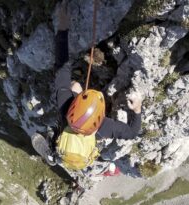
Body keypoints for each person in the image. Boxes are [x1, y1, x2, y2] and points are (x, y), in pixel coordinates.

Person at [37, 1, 142, 174]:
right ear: (100, 117)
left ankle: (54, 152)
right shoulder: (105, 126)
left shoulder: (65, 102)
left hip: (73, 143)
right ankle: (56, 152)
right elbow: (132, 132)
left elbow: (61, 63)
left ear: (73, 106)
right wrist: (136, 110)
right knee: (77, 86)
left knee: (75, 85)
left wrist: (63, 26)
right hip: (82, 153)